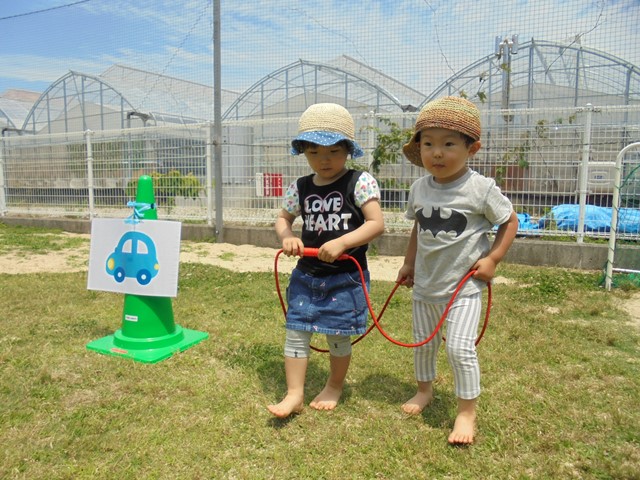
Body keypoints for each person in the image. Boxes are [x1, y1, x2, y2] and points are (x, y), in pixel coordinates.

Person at [396, 96, 518, 444]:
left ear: (471, 148)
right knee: (424, 345)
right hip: (425, 285)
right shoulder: (419, 188)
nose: (437, 153)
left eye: (449, 144)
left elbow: (509, 221)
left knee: (459, 348)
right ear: (419, 148)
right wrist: (408, 263)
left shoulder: (481, 188)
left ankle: (466, 413)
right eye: (429, 144)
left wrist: (492, 259)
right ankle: (424, 390)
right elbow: (418, 227)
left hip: (463, 287)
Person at [268, 103, 385, 418]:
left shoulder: (359, 182)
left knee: (338, 333)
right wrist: (287, 236)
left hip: (344, 277)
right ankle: (294, 394)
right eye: (315, 152)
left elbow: (376, 223)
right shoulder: (300, 187)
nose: (324, 159)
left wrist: (343, 242)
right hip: (306, 274)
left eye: (334, 151)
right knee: (296, 330)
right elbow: (283, 219)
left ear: (348, 150)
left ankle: (334, 385)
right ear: (304, 152)